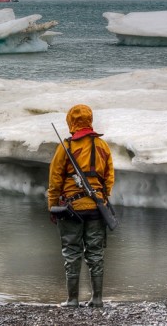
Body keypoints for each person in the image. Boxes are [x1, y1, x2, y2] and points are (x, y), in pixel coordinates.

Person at [48, 104, 114, 308]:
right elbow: (109, 177)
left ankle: (73, 299)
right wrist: (102, 199)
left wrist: (52, 204)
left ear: (71, 122)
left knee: (71, 252)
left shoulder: (65, 146)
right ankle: (97, 299)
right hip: (96, 208)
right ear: (90, 120)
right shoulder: (103, 146)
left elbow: (55, 179)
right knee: (95, 253)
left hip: (71, 210)